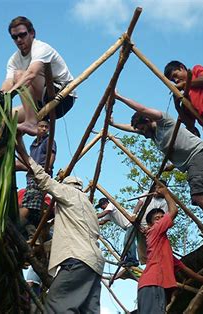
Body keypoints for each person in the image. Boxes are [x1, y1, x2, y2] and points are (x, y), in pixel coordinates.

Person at [111, 91, 203, 249]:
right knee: (199, 199)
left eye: (142, 128)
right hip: (190, 163)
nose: (142, 132)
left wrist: (120, 97)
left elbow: (142, 109)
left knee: (199, 195)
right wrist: (114, 124)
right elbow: (132, 129)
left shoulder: (165, 122)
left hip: (198, 154)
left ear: (148, 120)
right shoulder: (154, 135)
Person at [16, 136, 105, 313]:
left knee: (56, 306)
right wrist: (42, 248)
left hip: (76, 260)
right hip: (94, 264)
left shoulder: (69, 192)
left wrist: (24, 153)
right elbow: (71, 237)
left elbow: (43, 178)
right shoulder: (88, 207)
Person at [137, 187, 203, 313]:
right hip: (153, 283)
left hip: (153, 285)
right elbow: (174, 211)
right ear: (151, 225)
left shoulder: (162, 249)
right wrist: (166, 193)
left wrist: (202, 278)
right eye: (157, 218)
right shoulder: (155, 231)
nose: (161, 220)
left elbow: (183, 268)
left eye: (162, 217)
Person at [1, 16, 76, 135]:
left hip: (62, 97)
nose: (19, 40)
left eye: (22, 35)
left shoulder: (41, 48)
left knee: (21, 74)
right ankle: (24, 154)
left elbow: (31, 74)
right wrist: (0, 95)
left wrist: (10, 93)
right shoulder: (13, 60)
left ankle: (30, 122)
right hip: (40, 102)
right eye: (15, 37)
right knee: (7, 116)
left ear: (32, 33)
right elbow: (8, 82)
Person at [16, 120, 56, 240]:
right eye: (41, 126)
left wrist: (47, 169)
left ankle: (16, 226)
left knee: (30, 203)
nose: (44, 129)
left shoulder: (49, 141)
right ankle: (33, 235)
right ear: (36, 128)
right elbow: (29, 160)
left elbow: (52, 155)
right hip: (32, 173)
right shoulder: (33, 144)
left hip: (40, 174)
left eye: (46, 127)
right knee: (33, 207)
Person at [132, 181, 168, 265]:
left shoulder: (164, 202)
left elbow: (161, 218)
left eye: (159, 188)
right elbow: (139, 204)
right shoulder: (147, 194)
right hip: (140, 223)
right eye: (156, 187)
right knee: (141, 247)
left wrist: (151, 228)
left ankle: (156, 263)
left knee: (153, 248)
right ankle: (146, 264)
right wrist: (134, 215)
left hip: (152, 228)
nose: (157, 190)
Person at [95, 198, 139, 267]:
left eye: (101, 206)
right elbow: (102, 222)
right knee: (127, 242)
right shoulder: (108, 214)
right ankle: (128, 259)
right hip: (128, 227)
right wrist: (91, 220)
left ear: (105, 203)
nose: (101, 208)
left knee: (128, 242)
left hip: (131, 224)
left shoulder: (111, 205)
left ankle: (133, 260)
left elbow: (104, 213)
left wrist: (93, 216)